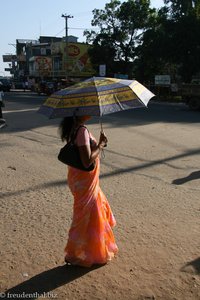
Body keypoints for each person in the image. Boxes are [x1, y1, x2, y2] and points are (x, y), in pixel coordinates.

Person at [59, 116, 118, 267]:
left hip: (80, 179)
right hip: (84, 181)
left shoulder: (75, 129)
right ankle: (76, 253)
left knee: (93, 212)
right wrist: (101, 145)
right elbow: (86, 161)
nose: (91, 112)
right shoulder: (82, 131)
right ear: (79, 112)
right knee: (85, 215)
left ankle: (90, 250)